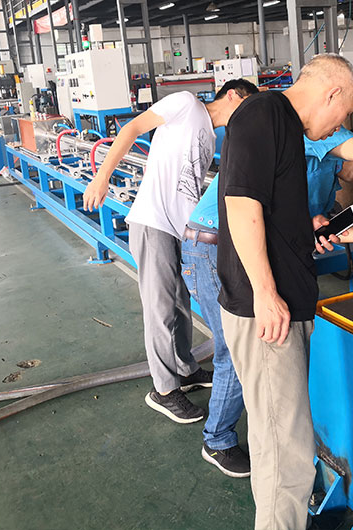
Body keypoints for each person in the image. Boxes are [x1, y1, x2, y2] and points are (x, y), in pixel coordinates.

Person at [185, 122, 353, 481]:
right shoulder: (317, 137)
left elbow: (319, 229)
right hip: (214, 244)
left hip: (242, 248)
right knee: (236, 353)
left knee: (250, 351)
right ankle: (217, 440)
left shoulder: (328, 182)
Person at [217, 54, 353, 529]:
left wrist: (312, 226)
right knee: (289, 458)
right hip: (267, 314)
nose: (338, 126)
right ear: (332, 92)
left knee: (277, 444)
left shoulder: (283, 127)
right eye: (344, 113)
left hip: (278, 307)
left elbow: (270, 212)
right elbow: (241, 204)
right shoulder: (263, 113)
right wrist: (265, 292)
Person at [82, 80, 259, 425]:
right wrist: (102, 177)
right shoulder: (186, 103)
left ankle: (185, 369)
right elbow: (133, 128)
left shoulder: (211, 136)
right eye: (248, 106)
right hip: (154, 222)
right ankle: (164, 390)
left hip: (180, 230)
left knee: (180, 304)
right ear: (233, 95)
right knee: (160, 308)